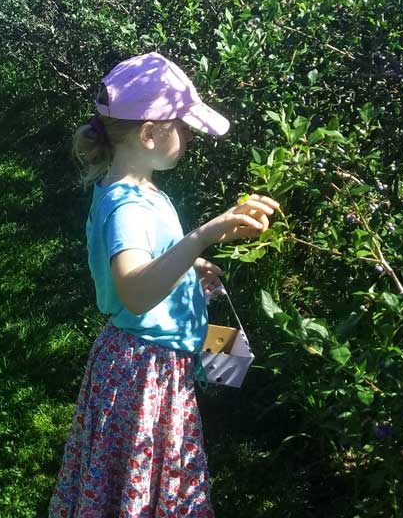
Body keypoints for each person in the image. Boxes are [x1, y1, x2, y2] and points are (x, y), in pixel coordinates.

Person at [49, 51, 280, 518]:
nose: (191, 136)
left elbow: (145, 263)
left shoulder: (135, 189)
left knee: (132, 484)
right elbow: (134, 291)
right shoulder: (128, 206)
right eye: (185, 126)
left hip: (146, 364)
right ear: (149, 133)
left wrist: (189, 266)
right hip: (142, 373)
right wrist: (204, 235)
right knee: (142, 482)